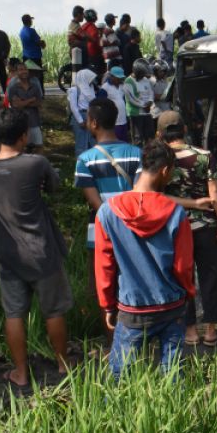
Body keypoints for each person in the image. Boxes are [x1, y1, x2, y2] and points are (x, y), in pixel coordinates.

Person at [0, 108, 73, 389]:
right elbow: (54, 187)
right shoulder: (36, 163)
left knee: (14, 314)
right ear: (24, 135)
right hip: (42, 250)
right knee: (53, 310)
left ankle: (20, 372)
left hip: (7, 255)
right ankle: (62, 364)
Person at [95, 141, 196, 378]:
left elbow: (104, 266)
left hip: (132, 308)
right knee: (173, 376)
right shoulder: (176, 212)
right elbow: (183, 266)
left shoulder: (107, 212)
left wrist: (108, 305)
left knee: (120, 379)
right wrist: (189, 294)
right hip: (170, 305)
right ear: (164, 170)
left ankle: (117, 415)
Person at [75, 98, 143, 332]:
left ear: (93, 123)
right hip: (134, 230)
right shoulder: (136, 154)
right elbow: (140, 195)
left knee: (104, 286)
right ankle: (136, 337)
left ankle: (113, 342)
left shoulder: (85, 160)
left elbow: (96, 204)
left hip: (101, 234)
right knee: (133, 281)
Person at [161, 111, 217, 348]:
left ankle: (190, 330)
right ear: (185, 130)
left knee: (182, 277)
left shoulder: (161, 159)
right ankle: (211, 330)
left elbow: (157, 196)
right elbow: (215, 191)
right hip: (205, 226)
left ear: (160, 135)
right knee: (209, 275)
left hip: (175, 228)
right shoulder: (203, 155)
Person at [6, 61, 44, 151]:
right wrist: (31, 100)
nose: (24, 72)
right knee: (20, 146)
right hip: (19, 121)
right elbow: (16, 105)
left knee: (39, 145)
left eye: (25, 69)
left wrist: (23, 102)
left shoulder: (34, 84)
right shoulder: (13, 85)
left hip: (34, 120)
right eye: (21, 70)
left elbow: (39, 102)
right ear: (16, 71)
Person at [68, 67, 99, 155]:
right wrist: (80, 121)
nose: (92, 81)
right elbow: (73, 107)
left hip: (90, 115)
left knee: (92, 142)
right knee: (81, 144)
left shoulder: (91, 88)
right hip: (80, 116)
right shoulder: (74, 90)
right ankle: (81, 166)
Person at [122, 60, 154, 145]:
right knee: (138, 138)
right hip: (136, 114)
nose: (144, 75)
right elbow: (132, 99)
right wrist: (144, 105)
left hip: (147, 112)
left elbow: (151, 91)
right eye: (142, 73)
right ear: (137, 72)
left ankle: (148, 156)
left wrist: (150, 101)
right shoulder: (128, 82)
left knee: (149, 137)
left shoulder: (145, 80)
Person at [102, 66, 130, 142]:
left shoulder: (122, 86)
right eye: (118, 78)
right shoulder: (105, 87)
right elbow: (101, 104)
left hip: (123, 120)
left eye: (121, 78)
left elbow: (124, 99)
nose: (120, 79)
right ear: (112, 77)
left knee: (124, 142)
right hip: (113, 122)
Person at [18, 14, 44, 92]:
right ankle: (40, 93)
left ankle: (30, 92)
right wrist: (43, 43)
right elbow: (39, 42)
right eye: (31, 20)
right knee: (38, 76)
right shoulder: (31, 31)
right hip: (35, 57)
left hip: (26, 57)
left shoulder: (21, 31)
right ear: (29, 21)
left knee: (28, 77)